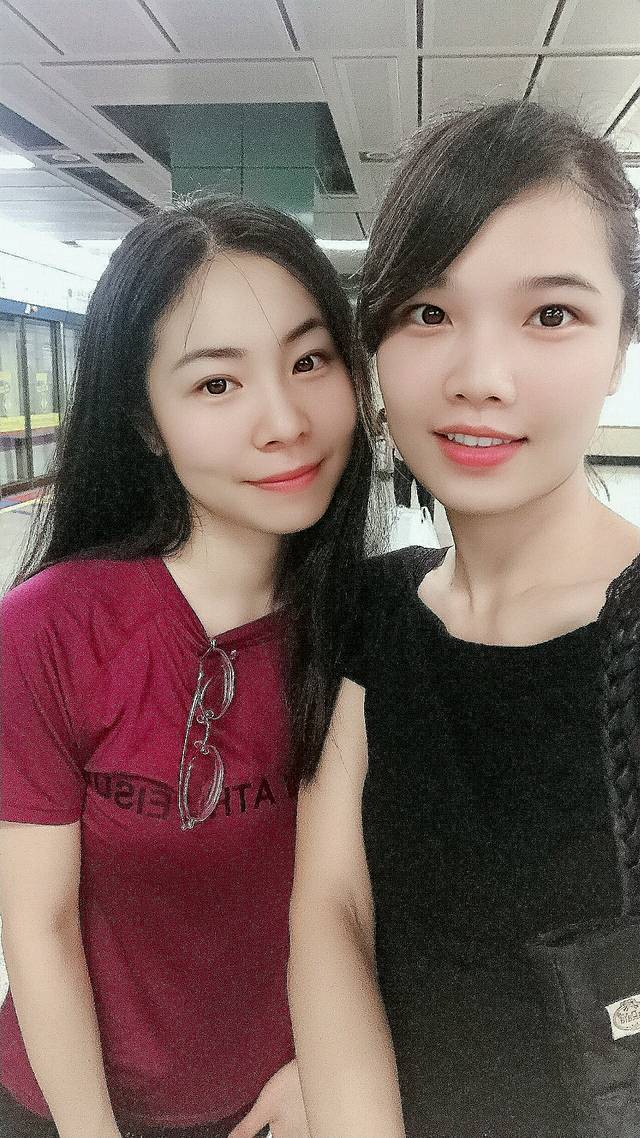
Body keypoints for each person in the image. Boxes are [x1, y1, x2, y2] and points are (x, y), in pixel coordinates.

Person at [288, 100, 640, 1138]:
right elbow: (333, 908)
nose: (479, 379)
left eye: (551, 315)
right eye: (428, 312)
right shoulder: (372, 611)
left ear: (622, 343)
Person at [0, 195, 375, 1138]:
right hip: (68, 1106)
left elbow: (377, 903)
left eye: (309, 361)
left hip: (289, 1103)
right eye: (217, 384)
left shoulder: (375, 628)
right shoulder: (50, 632)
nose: (283, 421)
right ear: (145, 419)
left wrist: (323, 1065)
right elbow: (38, 927)